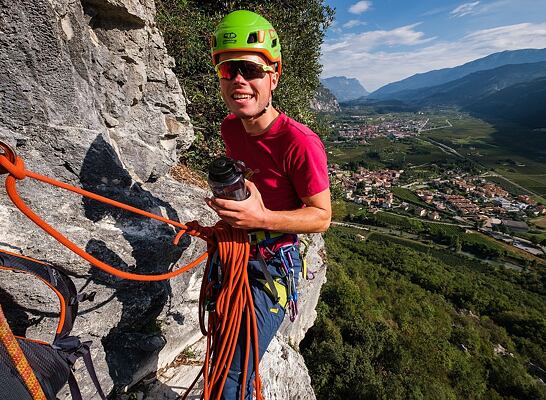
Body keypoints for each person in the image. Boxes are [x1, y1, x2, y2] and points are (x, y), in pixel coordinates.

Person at [206, 9, 331, 399]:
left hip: (274, 262)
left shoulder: (299, 142)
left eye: (251, 70)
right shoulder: (230, 126)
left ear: (273, 77)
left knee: (231, 376)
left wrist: (261, 216)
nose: (239, 80)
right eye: (229, 71)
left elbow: (322, 216)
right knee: (220, 349)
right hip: (237, 250)